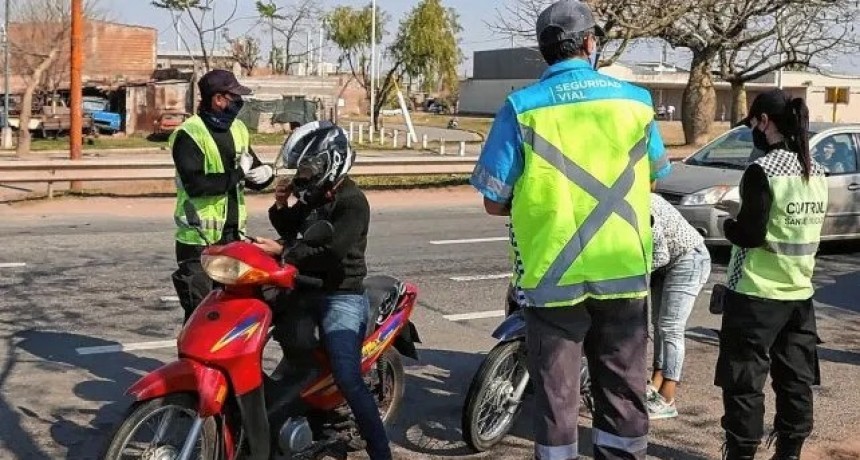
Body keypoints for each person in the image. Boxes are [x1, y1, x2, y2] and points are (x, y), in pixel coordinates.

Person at [470, 1, 672, 458]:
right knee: (623, 392)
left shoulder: (520, 109)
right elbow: (654, 175)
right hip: (622, 272)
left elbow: (492, 200)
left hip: (551, 280)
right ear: (589, 42)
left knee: (556, 400)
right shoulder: (636, 103)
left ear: (544, 51)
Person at [252, 121, 391, 460]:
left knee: (347, 375)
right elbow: (294, 228)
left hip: (341, 294)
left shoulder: (352, 202)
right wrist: (281, 205)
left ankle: (381, 450)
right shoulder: (316, 196)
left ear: (331, 162)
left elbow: (330, 253)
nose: (303, 175)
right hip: (306, 286)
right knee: (272, 328)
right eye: (301, 168)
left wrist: (283, 252)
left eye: (308, 167)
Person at [716, 89, 828, 460]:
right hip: (799, 293)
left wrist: (729, 224)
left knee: (745, 381)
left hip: (755, 293)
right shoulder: (818, 171)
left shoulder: (763, 171)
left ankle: (742, 452)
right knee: (796, 379)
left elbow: (751, 234)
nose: (752, 130)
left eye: (752, 123)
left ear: (764, 121)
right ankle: (790, 451)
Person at [170, 69, 274, 322]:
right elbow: (197, 185)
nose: (239, 102)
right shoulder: (189, 134)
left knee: (230, 313)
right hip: (199, 240)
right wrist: (240, 174)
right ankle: (191, 362)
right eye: (234, 97)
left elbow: (250, 168)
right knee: (200, 314)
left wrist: (265, 174)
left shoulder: (238, 129)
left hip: (232, 237)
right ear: (218, 99)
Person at [647, 193, 711, 420]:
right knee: (658, 325)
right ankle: (655, 383)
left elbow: (660, 255)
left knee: (670, 328)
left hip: (688, 259)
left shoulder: (644, 206)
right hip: (666, 265)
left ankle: (668, 397)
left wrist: (636, 276)